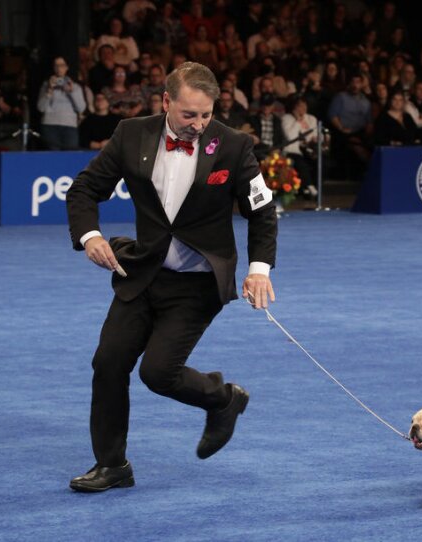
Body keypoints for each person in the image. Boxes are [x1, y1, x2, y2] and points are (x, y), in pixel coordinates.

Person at [65, 61, 277, 492]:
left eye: (206, 114)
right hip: (143, 272)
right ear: (166, 101)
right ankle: (112, 465)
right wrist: (89, 236)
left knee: (158, 374)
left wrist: (258, 270)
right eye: (188, 115)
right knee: (108, 363)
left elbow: (262, 212)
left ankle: (223, 397)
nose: (199, 124)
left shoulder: (234, 146)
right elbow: (85, 189)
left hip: (197, 285)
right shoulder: (131, 133)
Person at [37, 57, 86, 150]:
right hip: (50, 125)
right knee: (53, 157)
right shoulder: (46, 85)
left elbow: (81, 108)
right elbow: (40, 108)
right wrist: (49, 91)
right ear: (53, 68)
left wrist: (72, 92)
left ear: (67, 67)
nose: (59, 68)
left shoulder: (75, 86)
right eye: (56, 65)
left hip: (69, 125)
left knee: (70, 157)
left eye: (62, 65)